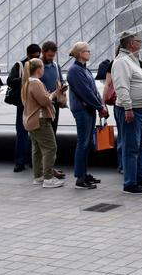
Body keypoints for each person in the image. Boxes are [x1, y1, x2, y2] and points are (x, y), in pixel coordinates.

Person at [112, 32, 142, 194]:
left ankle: (139, 176)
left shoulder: (133, 60)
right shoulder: (122, 62)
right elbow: (121, 86)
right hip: (133, 110)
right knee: (132, 147)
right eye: (139, 41)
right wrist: (128, 108)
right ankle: (130, 183)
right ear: (131, 43)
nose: (141, 43)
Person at [67, 42, 109, 190]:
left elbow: (93, 91)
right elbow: (85, 92)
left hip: (89, 109)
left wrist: (100, 106)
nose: (90, 53)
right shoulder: (74, 70)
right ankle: (80, 178)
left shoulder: (84, 70)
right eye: (87, 51)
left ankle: (84, 174)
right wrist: (99, 106)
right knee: (83, 143)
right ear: (79, 53)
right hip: (82, 110)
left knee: (87, 143)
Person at [22, 58, 65, 188]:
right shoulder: (36, 83)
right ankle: (48, 178)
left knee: (37, 150)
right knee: (50, 148)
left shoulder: (27, 82)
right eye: (43, 68)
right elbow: (44, 101)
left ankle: (38, 176)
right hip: (40, 120)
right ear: (38, 69)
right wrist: (55, 94)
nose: (44, 70)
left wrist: (52, 94)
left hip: (31, 120)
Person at [5, 44, 42, 173]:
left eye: (37, 56)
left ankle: (32, 161)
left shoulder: (40, 65)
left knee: (34, 134)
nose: (35, 59)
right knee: (22, 133)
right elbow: (10, 81)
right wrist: (24, 78)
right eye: (33, 56)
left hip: (36, 104)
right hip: (23, 104)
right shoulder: (19, 66)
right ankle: (20, 161)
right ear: (27, 55)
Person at [39, 41, 67, 179]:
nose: (51, 58)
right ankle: (45, 169)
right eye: (49, 55)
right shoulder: (37, 66)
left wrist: (63, 86)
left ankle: (49, 167)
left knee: (52, 135)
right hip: (43, 105)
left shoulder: (56, 66)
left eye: (53, 55)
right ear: (43, 52)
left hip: (54, 104)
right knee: (46, 138)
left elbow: (60, 80)